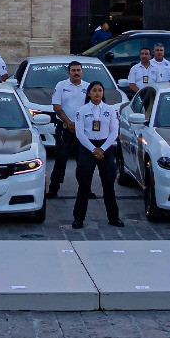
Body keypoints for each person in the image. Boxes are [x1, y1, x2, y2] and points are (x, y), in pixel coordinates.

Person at [71, 81, 124, 228]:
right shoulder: (81, 110)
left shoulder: (110, 110)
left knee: (108, 184)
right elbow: (80, 132)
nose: (97, 93)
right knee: (84, 185)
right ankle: (79, 218)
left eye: (100, 90)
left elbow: (114, 131)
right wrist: (93, 149)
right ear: (89, 93)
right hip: (88, 147)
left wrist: (102, 148)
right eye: (94, 90)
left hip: (105, 147)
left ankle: (113, 218)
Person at [48, 61, 89, 198]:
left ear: (82, 72)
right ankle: (53, 189)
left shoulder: (88, 87)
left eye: (78, 70)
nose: (76, 73)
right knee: (60, 158)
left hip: (82, 130)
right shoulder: (61, 86)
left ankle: (85, 189)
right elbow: (56, 107)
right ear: (68, 72)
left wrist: (78, 124)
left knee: (83, 161)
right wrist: (70, 123)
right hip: (65, 128)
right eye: (73, 70)